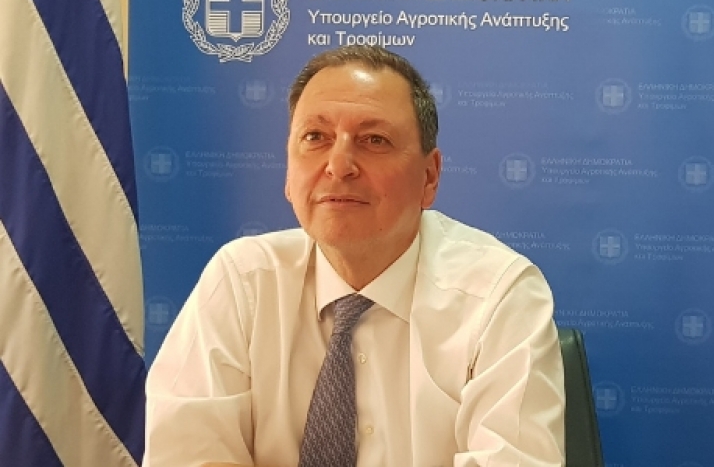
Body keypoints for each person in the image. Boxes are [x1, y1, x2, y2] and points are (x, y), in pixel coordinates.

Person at [144, 45, 566, 466]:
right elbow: (184, 454)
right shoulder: (243, 279)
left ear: (429, 176)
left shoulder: (499, 293)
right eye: (315, 137)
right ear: (289, 173)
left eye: (374, 140)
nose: (339, 164)